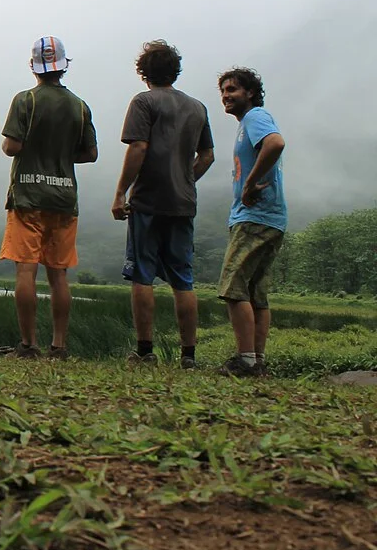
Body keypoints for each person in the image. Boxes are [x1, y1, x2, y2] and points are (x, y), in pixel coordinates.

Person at [111, 41, 215, 368]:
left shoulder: (143, 102)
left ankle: (145, 352)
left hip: (148, 201)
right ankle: (188, 356)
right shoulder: (198, 107)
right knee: (183, 279)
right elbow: (207, 156)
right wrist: (186, 180)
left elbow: (138, 147)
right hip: (183, 203)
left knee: (142, 275)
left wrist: (121, 192)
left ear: (144, 72)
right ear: (175, 71)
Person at [0, 36, 98, 359]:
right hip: (64, 198)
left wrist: (31, 147)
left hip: (28, 196)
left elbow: (11, 146)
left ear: (33, 66)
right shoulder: (80, 106)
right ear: (64, 66)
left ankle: (28, 345)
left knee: (26, 270)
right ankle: (59, 346)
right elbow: (90, 153)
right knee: (59, 274)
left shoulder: (25, 100)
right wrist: (62, 154)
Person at [215, 67, 286, 378]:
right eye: (223, 91)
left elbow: (275, 144)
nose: (226, 96)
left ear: (251, 93)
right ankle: (256, 361)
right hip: (270, 218)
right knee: (256, 293)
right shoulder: (248, 123)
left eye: (232, 89)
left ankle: (245, 361)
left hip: (255, 217)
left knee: (233, 287)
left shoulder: (256, 117)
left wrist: (249, 184)